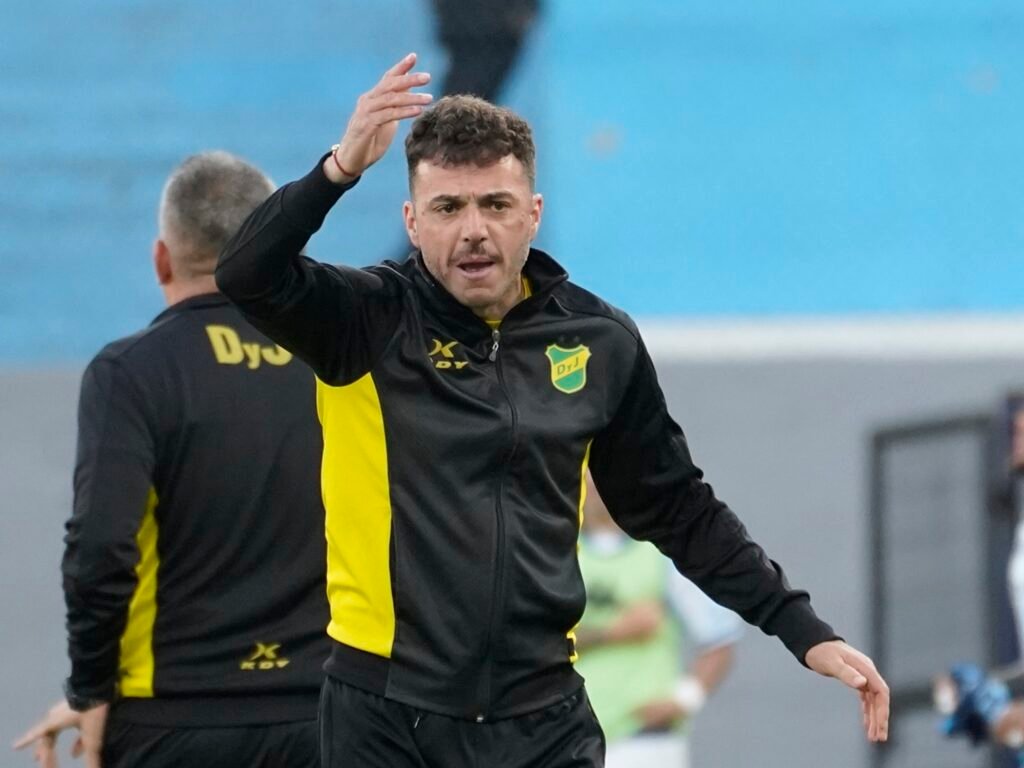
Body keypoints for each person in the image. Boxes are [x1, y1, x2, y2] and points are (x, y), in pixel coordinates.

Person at [214, 52, 890, 767]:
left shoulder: (598, 340)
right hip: (387, 717)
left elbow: (676, 506)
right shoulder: (364, 319)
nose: (474, 229)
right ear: (411, 221)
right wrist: (339, 169)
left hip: (542, 716)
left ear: (532, 214)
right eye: (447, 207)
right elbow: (245, 273)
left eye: (496, 205)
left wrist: (801, 628)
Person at [13, 152, 330, 768]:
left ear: (162, 259)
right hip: (328, 718)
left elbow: (101, 548)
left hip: (170, 724)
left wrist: (90, 688)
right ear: (283, 255)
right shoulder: (341, 363)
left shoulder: (130, 373)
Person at [575, 473, 741, 768]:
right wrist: (614, 631)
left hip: (643, 735)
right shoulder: (555, 554)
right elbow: (528, 641)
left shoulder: (664, 554)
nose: (598, 486)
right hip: (571, 733)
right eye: (590, 476)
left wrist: (683, 700)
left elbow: (719, 638)